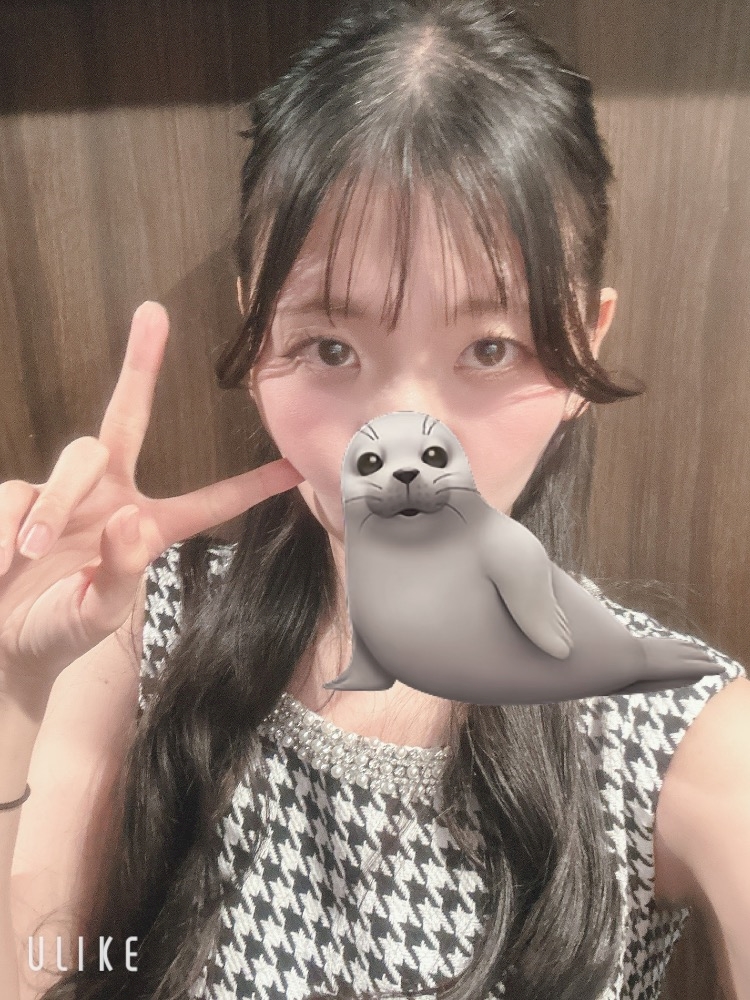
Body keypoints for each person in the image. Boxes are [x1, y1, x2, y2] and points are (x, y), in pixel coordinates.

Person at [1, 2, 748, 999]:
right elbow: (35, 968)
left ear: (585, 347)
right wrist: (11, 688)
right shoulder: (141, 625)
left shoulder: (681, 739)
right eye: (331, 346)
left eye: (491, 347)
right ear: (256, 336)